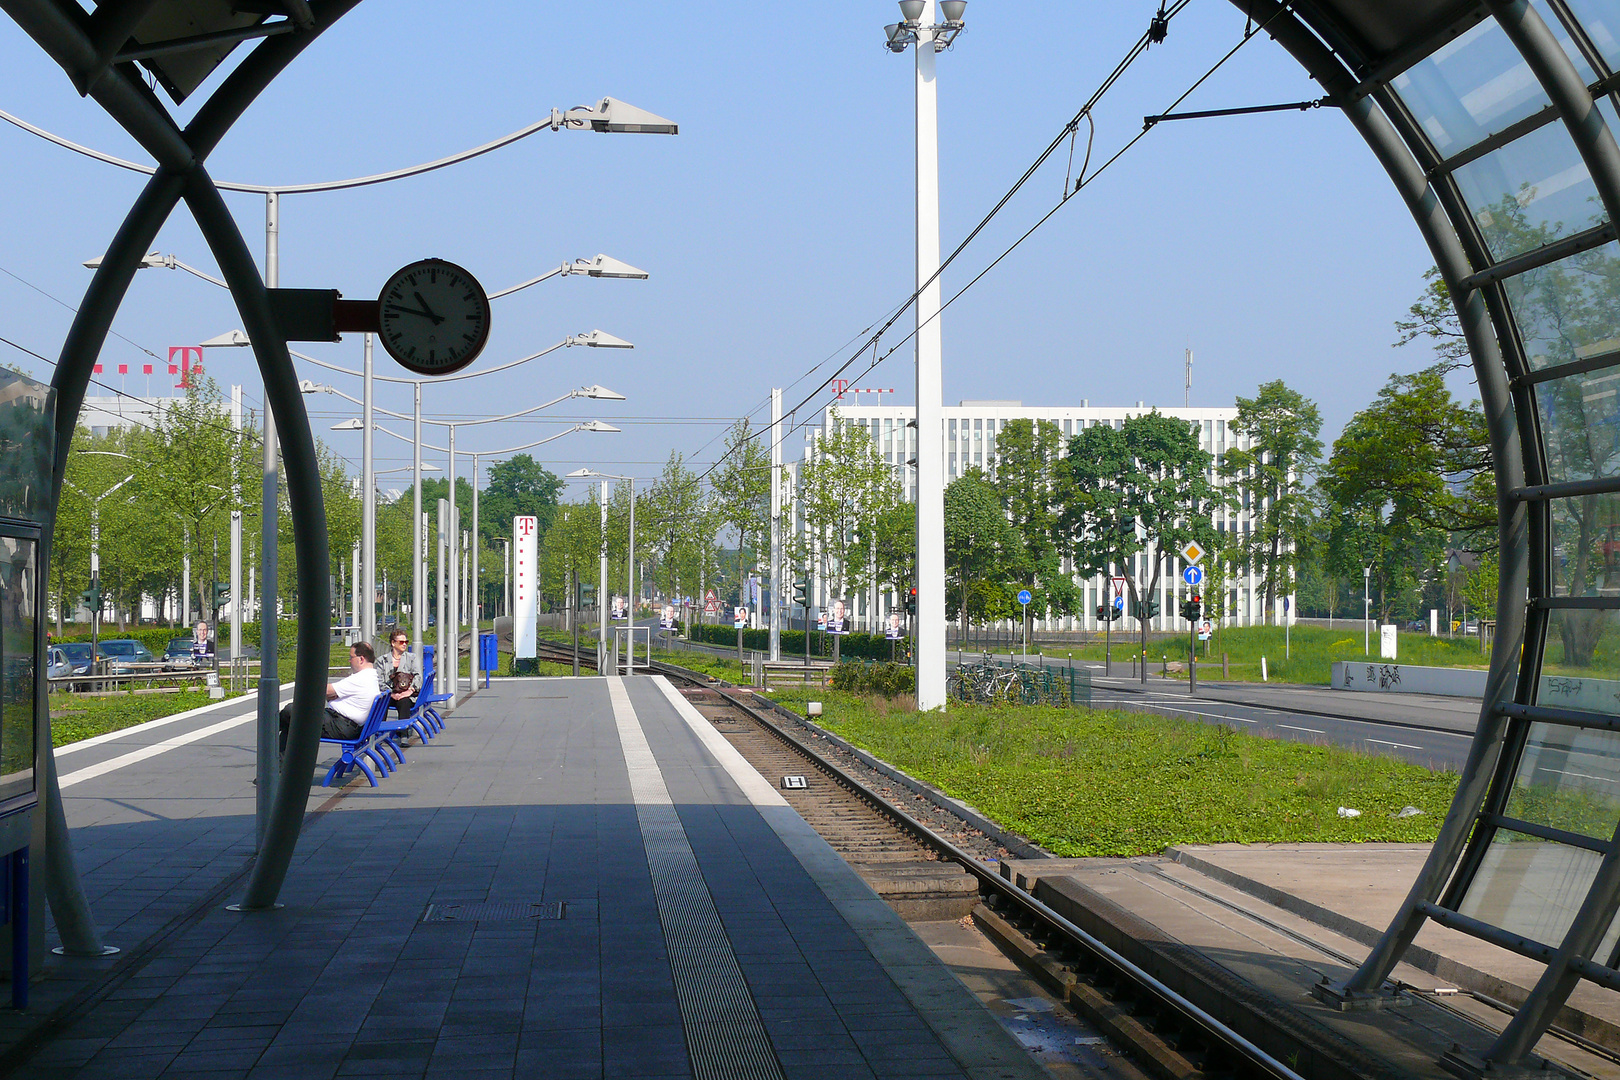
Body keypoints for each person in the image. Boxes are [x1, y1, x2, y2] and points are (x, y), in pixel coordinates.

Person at [277, 642, 381, 755]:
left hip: (341, 726)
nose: (349, 661)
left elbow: (324, 691)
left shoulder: (361, 678)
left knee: (292, 711)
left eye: (351, 657)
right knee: (292, 722)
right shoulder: (371, 677)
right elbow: (331, 693)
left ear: (361, 659)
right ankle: (279, 761)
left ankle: (270, 731)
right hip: (346, 724)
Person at [375, 630, 420, 720]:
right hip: (388, 694)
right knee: (382, 702)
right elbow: (378, 680)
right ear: (393, 643)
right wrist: (391, 694)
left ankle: (402, 732)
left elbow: (418, 676)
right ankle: (379, 730)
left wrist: (409, 691)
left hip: (407, 694)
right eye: (401, 642)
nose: (404, 644)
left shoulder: (411, 658)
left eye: (406, 642)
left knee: (404, 702)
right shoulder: (382, 660)